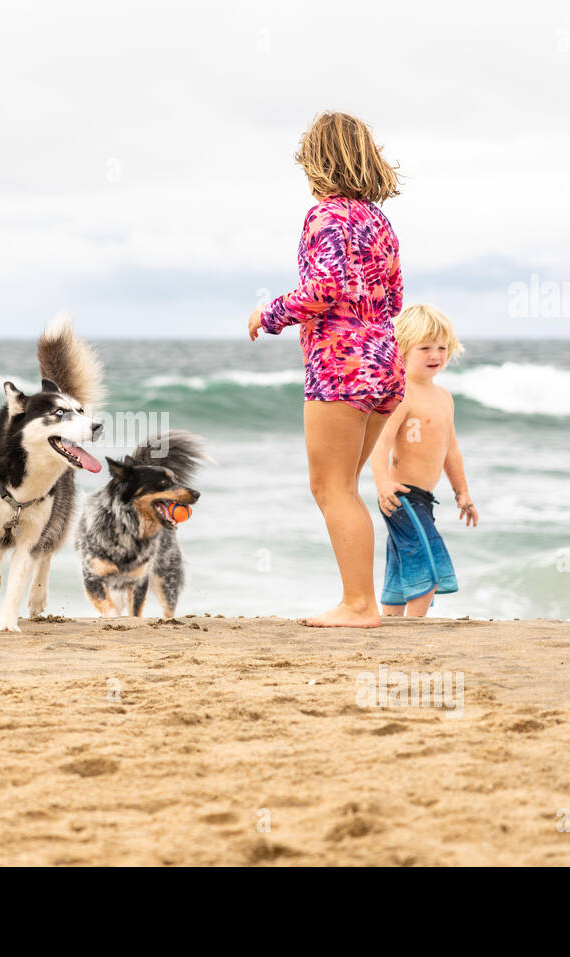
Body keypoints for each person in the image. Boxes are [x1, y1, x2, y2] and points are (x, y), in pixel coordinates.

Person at [247, 111, 405, 629]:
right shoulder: (378, 221)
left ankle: (359, 606)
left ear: (317, 162)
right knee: (346, 487)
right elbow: (394, 296)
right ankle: (362, 601)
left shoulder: (326, 216)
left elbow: (323, 290)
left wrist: (267, 314)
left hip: (340, 363)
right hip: (385, 359)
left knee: (331, 488)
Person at [369, 305, 477, 617]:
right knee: (426, 565)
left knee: (401, 562)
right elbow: (380, 441)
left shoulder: (444, 397)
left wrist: (462, 493)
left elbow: (450, 450)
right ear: (402, 348)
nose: (436, 354)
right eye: (426, 347)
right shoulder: (402, 394)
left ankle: (390, 621)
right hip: (400, 494)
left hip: (424, 498)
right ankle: (415, 630)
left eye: (442, 347)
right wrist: (383, 483)